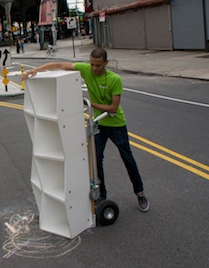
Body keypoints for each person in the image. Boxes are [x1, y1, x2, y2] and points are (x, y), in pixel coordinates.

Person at [22, 47, 149, 212]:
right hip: (98, 124)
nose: (94, 69)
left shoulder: (114, 79)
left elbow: (113, 108)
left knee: (127, 158)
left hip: (116, 124)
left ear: (106, 63)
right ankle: (102, 195)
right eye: (92, 64)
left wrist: (89, 103)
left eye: (98, 65)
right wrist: (36, 70)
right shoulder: (86, 70)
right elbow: (58, 64)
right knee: (95, 161)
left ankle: (139, 192)